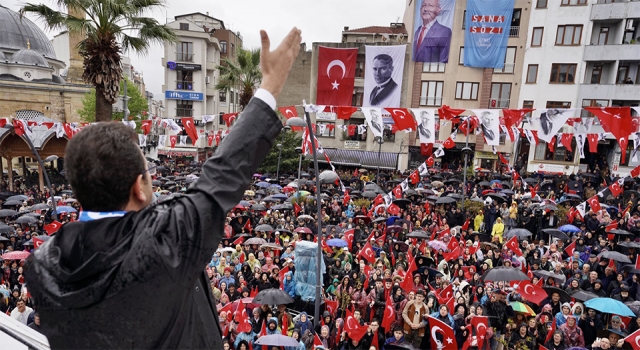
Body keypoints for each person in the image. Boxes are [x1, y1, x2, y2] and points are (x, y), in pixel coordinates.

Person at [24, 27, 303, 349]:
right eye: (147, 170)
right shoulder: (164, 243)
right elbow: (221, 177)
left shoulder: (42, 266)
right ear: (138, 188)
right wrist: (271, 84)